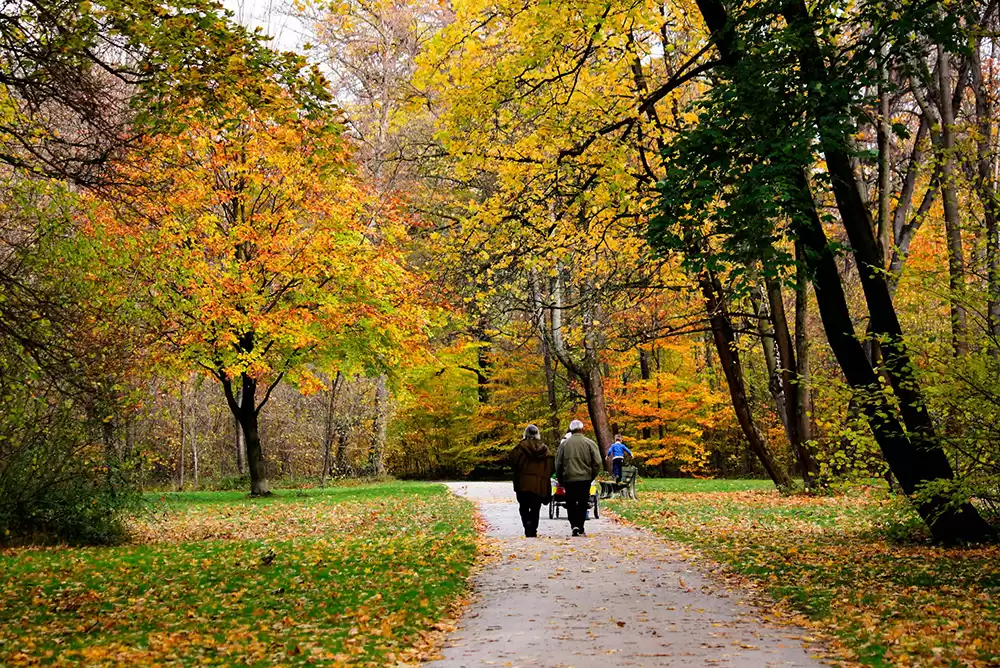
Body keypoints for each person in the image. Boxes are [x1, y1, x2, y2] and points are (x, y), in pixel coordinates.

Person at [554, 419, 602, 537]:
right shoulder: (590, 443)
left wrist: (561, 478)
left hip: (569, 478)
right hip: (585, 478)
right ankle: (580, 526)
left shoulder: (564, 444)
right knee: (582, 502)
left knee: (570, 502)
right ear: (582, 429)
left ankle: (574, 525)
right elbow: (598, 462)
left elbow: (558, 463)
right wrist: (591, 475)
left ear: (571, 429)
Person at [510, 424, 553, 538]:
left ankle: (527, 525)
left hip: (523, 482)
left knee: (523, 506)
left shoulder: (519, 448)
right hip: (538, 484)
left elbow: (513, 463)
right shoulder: (545, 449)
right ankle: (532, 528)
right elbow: (550, 467)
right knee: (535, 507)